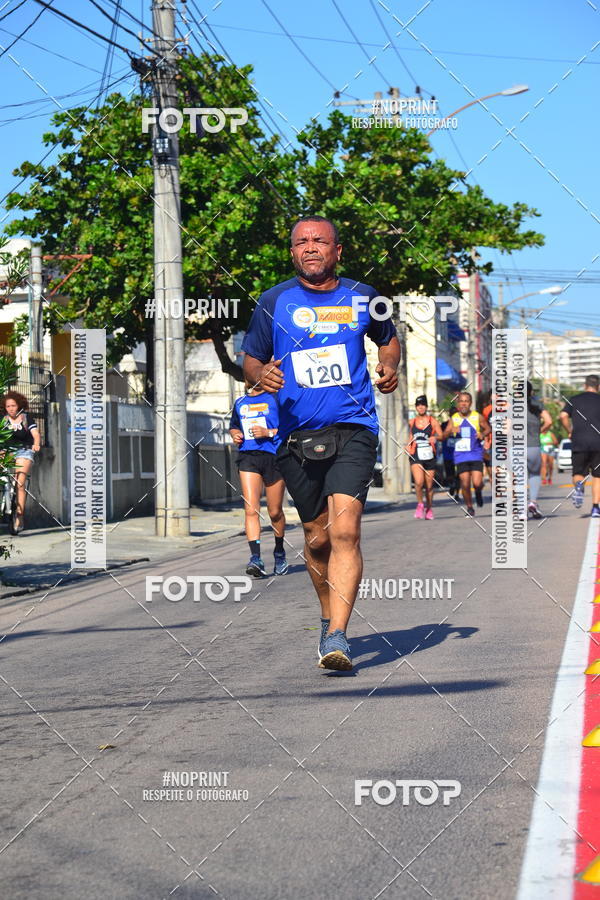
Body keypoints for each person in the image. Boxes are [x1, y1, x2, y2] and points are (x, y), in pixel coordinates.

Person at [241, 215, 400, 670]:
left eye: (320, 241)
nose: (310, 248)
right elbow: (251, 360)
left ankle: (337, 635)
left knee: (346, 530)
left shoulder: (365, 297)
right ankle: (327, 615)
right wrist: (260, 374)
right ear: (293, 252)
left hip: (354, 428)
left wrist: (389, 365)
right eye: (301, 242)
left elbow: (389, 341)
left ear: (337, 250)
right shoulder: (273, 301)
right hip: (295, 435)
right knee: (316, 539)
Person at [229, 383, 288, 577]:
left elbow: (290, 428)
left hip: (274, 457)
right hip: (248, 457)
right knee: (251, 509)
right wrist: (236, 435)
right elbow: (234, 426)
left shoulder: (277, 398)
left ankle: (279, 552)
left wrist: (268, 432)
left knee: (275, 512)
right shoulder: (240, 402)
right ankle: (256, 558)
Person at [442, 391, 490, 516]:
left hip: (475, 453)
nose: (463, 404)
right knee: (465, 483)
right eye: (461, 401)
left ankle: (478, 492)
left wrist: (482, 434)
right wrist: (451, 430)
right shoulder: (454, 419)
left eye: (466, 401)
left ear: (470, 403)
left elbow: (488, 428)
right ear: (458, 403)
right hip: (461, 455)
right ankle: (469, 507)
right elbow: (444, 435)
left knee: (477, 483)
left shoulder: (477, 416)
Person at [559, 374, 600, 516]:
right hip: (598, 444)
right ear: (598, 387)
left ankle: (578, 487)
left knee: (578, 473)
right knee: (598, 476)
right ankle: (595, 507)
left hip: (579, 442)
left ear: (585, 385)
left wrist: (569, 431)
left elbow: (563, 416)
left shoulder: (574, 400)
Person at [0, 391, 41, 532]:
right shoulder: (3, 420)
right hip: (6, 451)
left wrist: (36, 444)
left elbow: (35, 434)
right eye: (8, 406)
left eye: (13, 405)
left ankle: (20, 515)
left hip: (24, 450)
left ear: (19, 405)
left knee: (20, 482)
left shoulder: (26, 418)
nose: (11, 408)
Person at [407, 395, 442, 520]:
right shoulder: (412, 422)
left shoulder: (432, 421)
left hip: (429, 455)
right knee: (418, 481)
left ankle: (429, 508)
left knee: (429, 485)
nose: (421, 407)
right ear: (416, 407)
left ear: (426, 407)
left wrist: (436, 438)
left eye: (423, 405)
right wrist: (407, 445)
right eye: (418, 405)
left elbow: (441, 435)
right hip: (416, 454)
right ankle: (420, 504)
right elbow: (410, 436)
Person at [526, 383, 553, 519]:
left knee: (518, 478)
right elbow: (548, 421)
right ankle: (533, 502)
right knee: (534, 475)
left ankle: (519, 510)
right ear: (531, 392)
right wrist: (539, 431)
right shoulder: (537, 405)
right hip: (533, 445)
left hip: (516, 447)